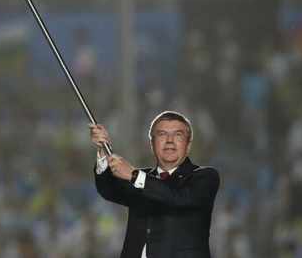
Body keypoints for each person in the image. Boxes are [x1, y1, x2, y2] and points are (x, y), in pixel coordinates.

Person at [90, 111, 220, 258]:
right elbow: (108, 190)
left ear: (188, 144)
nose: (170, 140)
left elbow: (179, 198)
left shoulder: (205, 176)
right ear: (152, 143)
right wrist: (102, 151)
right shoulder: (141, 178)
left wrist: (134, 175)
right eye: (162, 134)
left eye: (178, 135)